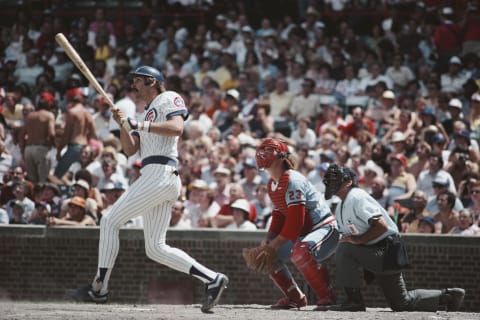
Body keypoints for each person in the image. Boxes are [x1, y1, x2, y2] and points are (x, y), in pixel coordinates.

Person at [67, 66, 228, 313]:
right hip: (155, 174)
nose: (134, 86)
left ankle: (99, 288)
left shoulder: (168, 97)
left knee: (109, 221)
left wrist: (137, 124)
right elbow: (131, 150)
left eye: (138, 81)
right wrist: (123, 124)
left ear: (152, 81)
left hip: (161, 173)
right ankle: (212, 278)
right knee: (155, 247)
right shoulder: (146, 112)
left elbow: (177, 127)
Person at [321, 164, 465, 312]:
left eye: (334, 180)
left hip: (385, 248)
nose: (330, 184)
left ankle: (354, 301)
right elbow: (349, 236)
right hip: (375, 249)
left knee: (344, 249)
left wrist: (358, 241)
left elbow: (381, 226)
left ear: (347, 182)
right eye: (329, 181)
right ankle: (448, 297)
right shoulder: (340, 206)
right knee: (401, 303)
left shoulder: (356, 196)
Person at [254, 138, 339, 310]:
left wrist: (274, 244)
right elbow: (278, 216)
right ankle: (295, 298)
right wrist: (268, 240)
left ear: (281, 156)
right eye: (262, 149)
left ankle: (328, 296)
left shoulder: (293, 180)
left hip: (324, 228)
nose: (262, 152)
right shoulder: (272, 184)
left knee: (300, 251)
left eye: (269, 149)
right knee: (267, 257)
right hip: (305, 233)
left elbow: (295, 223)